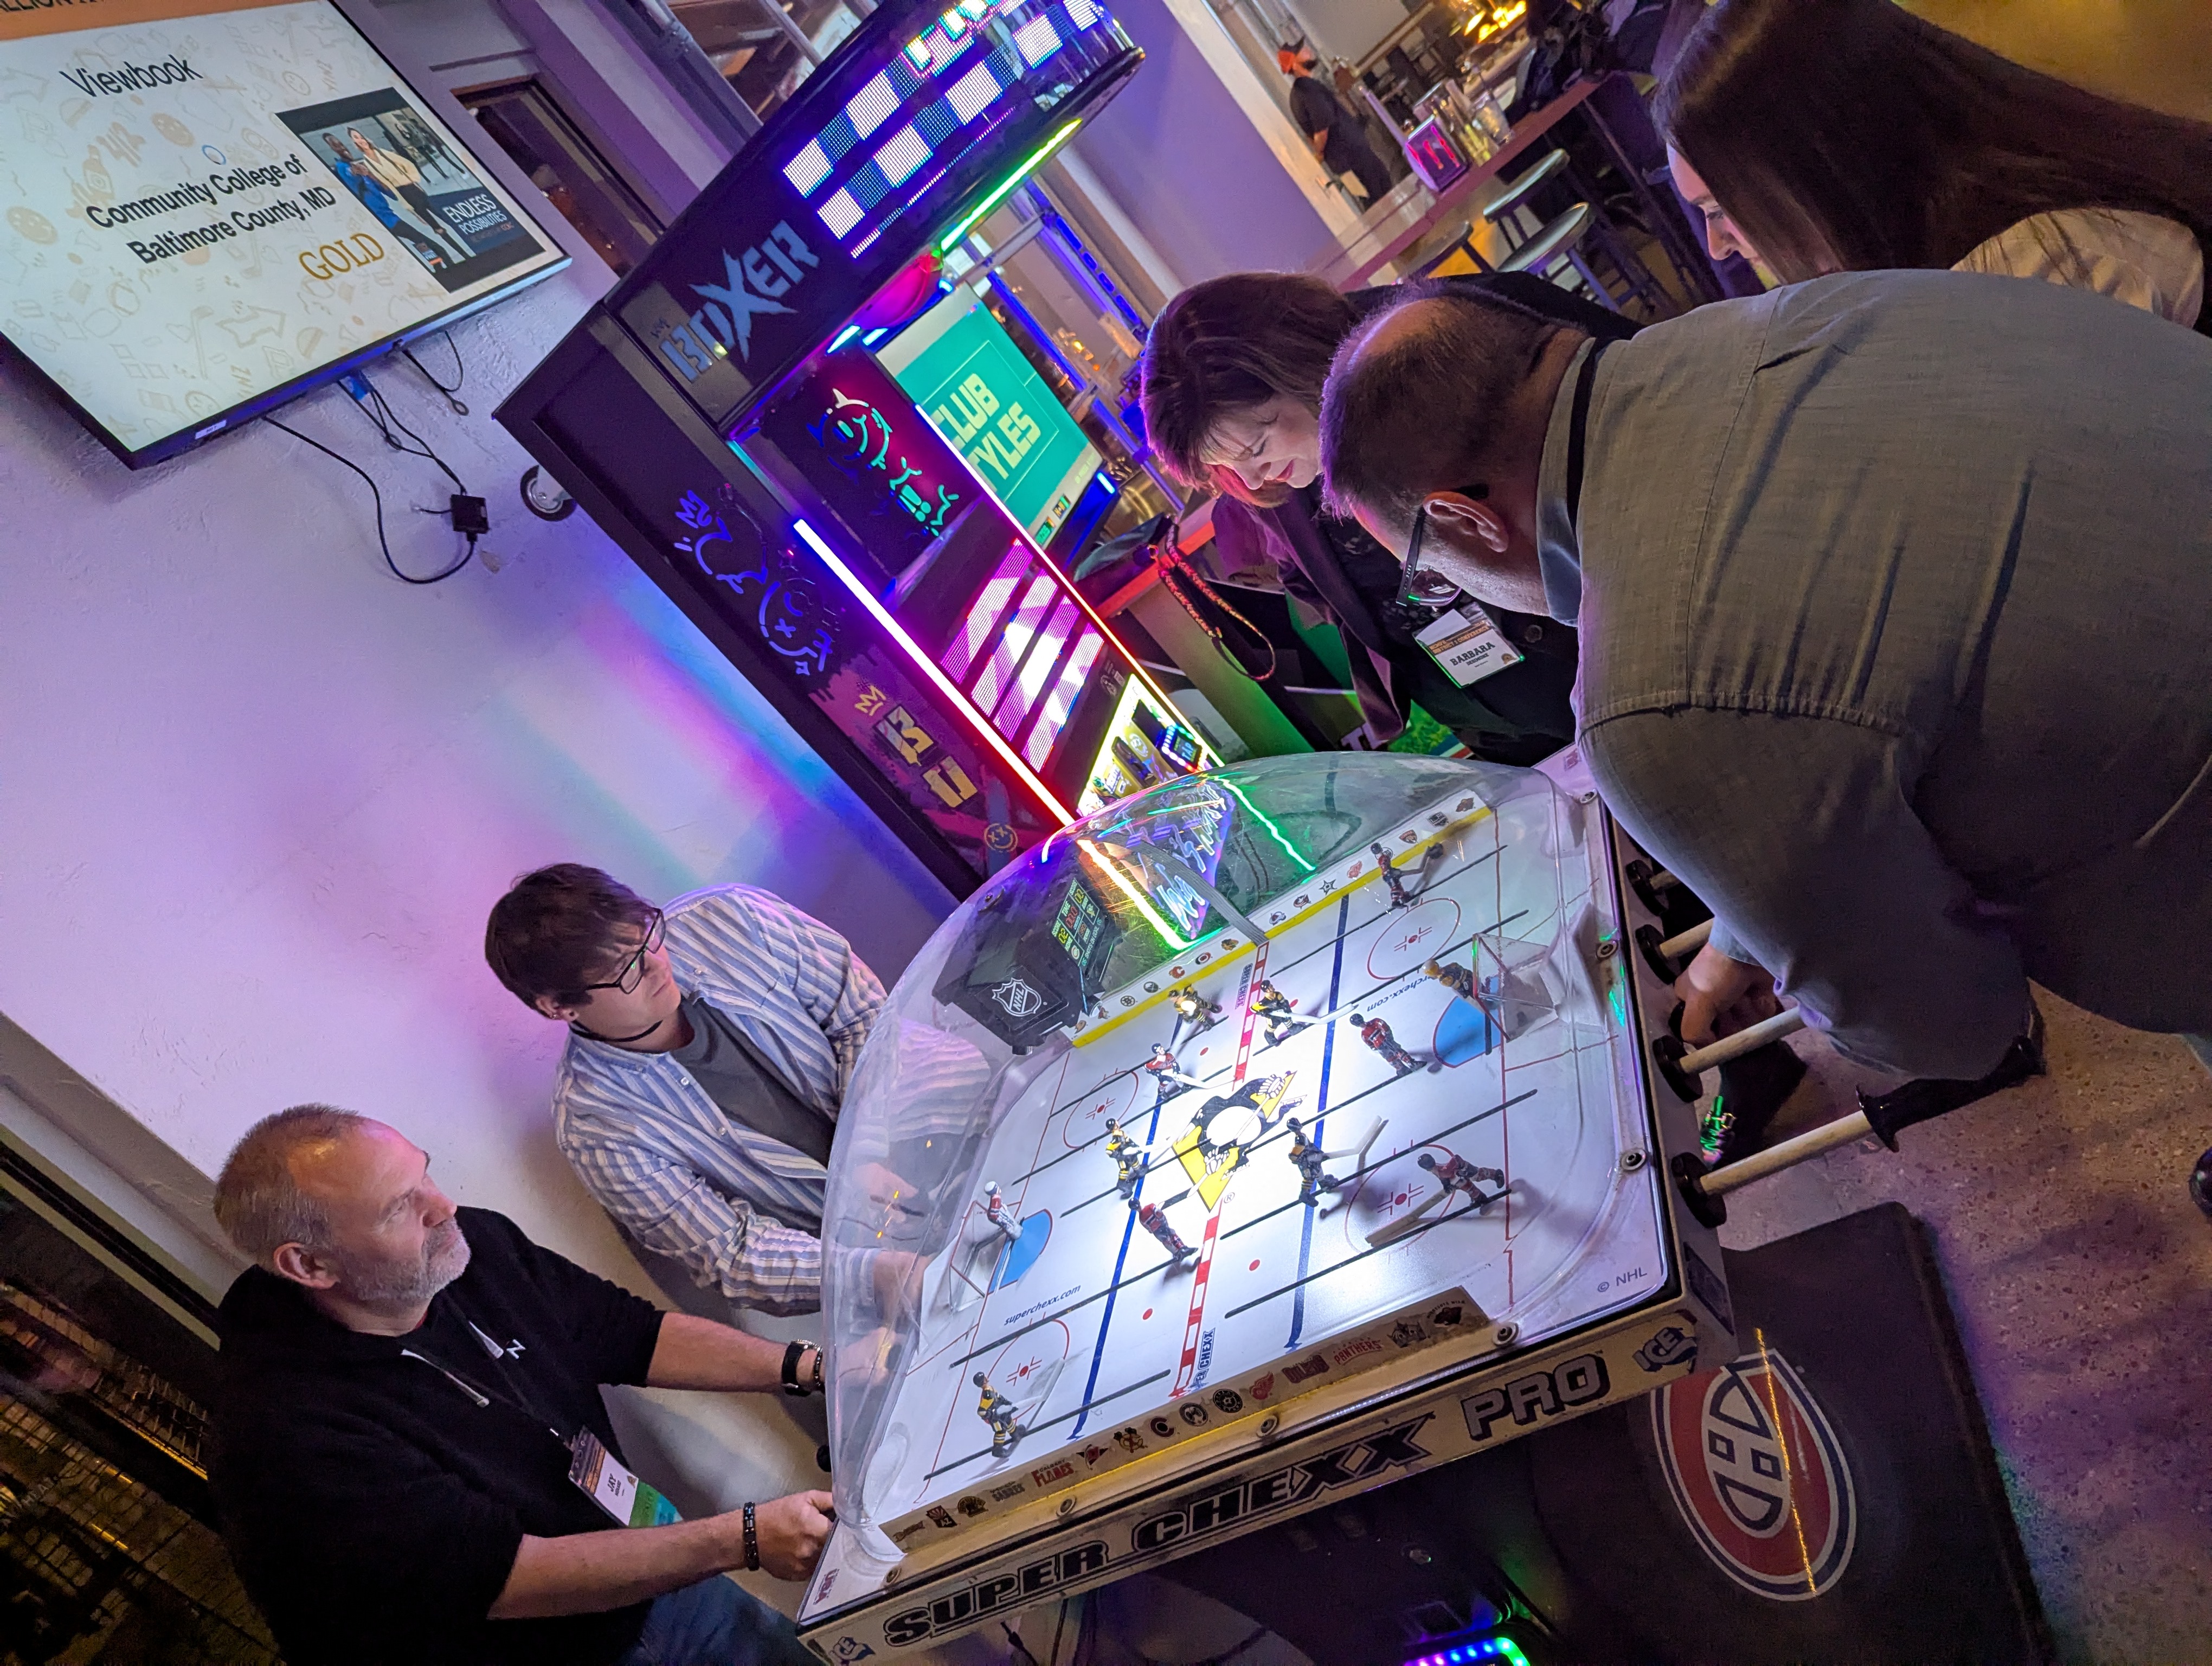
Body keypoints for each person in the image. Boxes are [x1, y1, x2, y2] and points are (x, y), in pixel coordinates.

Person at [1316, 276, 2212, 1088]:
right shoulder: (1804, 312)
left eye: (1427, 569)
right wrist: (1759, 922)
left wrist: (1816, 977)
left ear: (1462, 517)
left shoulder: (1648, 700)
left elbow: (1956, 1028)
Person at [207, 1106, 830, 1666]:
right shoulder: (281, 1433)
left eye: (422, 1172)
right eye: (399, 1207)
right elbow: (506, 1576)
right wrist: (743, 1537)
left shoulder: (467, 1246)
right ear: (310, 1265)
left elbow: (627, 1332)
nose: (442, 1206)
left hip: (663, 1588)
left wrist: (810, 1366)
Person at [1139, 271, 1634, 765]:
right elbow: (1313, 577)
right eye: (1226, 468)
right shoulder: (1273, 478)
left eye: (1258, 447)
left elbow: (1635, 398)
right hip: (1492, 718)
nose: (1250, 483)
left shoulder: (1437, 340)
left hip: (1611, 647)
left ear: (1301, 367)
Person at [1655, 0, 2209, 330]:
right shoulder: (1977, 227)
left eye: (1721, 210)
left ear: (1828, 169)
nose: (1716, 246)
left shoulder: (2034, 271)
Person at [485, 866, 883, 1316]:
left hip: (931, 1126)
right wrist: (872, 1272)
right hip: (863, 1248)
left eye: (646, 933)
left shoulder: (731, 918)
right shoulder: (597, 1127)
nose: (657, 964)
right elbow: (733, 1254)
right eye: (625, 969)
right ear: (559, 1006)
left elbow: (861, 1015)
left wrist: (872, 1146)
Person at [1280, 43, 1393, 205]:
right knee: (1381, 195)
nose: (1308, 51)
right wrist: (1319, 153)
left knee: (1373, 198)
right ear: (1295, 64)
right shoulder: (1307, 90)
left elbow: (1310, 133)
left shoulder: (1299, 94)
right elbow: (1321, 129)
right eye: (1302, 52)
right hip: (1351, 155)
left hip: (1345, 160)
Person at [349, 123, 472, 262]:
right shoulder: (368, 163)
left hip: (414, 189)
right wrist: (408, 208)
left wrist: (412, 179)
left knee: (447, 217)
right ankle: (466, 257)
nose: (360, 140)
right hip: (406, 195)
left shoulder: (382, 152)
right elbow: (389, 186)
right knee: (438, 229)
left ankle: (474, 244)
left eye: (360, 137)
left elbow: (408, 164)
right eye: (356, 139)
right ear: (355, 144)